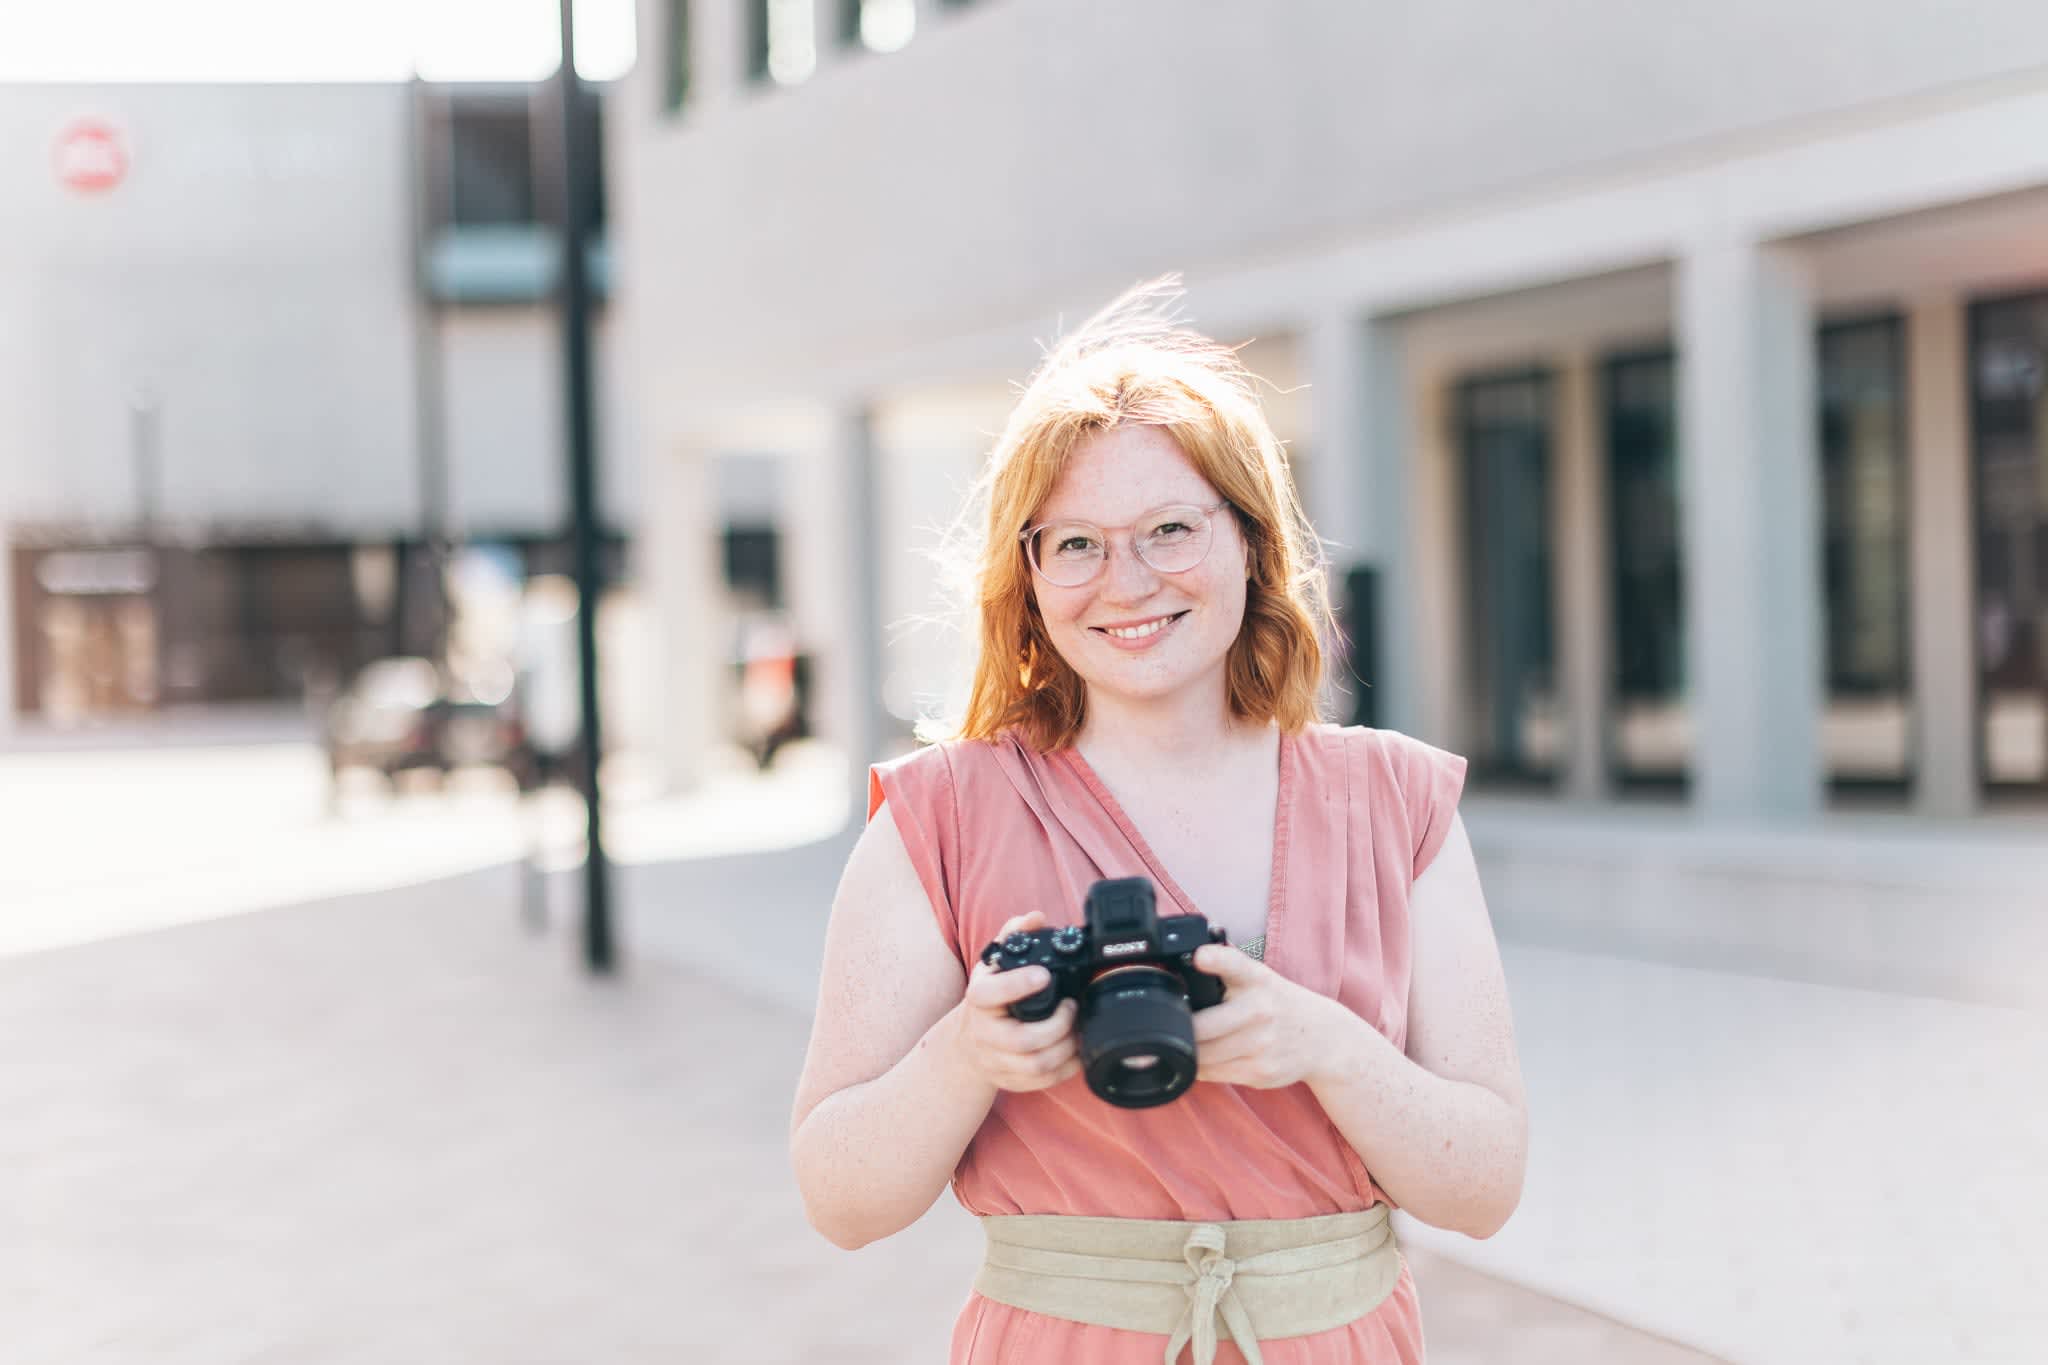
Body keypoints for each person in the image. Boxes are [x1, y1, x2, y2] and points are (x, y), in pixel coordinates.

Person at [790, 280, 1527, 1365]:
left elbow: (1484, 1188)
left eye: (1168, 530)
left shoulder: (1397, 803)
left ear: (1249, 542)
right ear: (1028, 575)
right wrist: (967, 1053)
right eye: (1074, 543)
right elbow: (840, 1201)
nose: (1123, 582)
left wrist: (1318, 1042)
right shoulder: (936, 818)